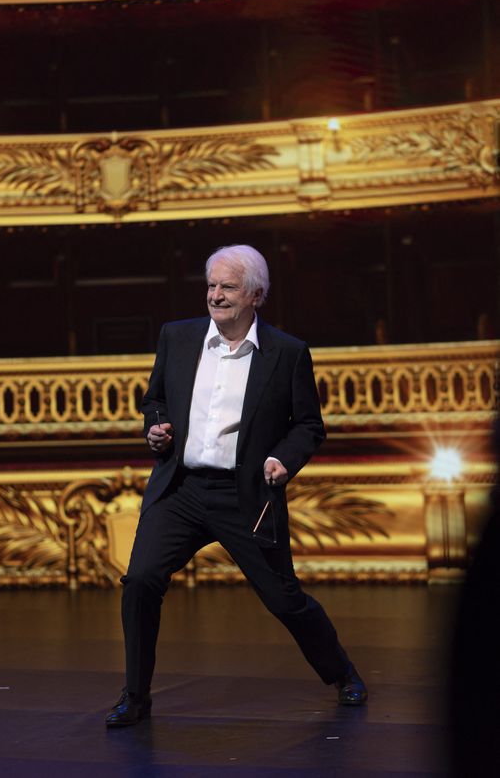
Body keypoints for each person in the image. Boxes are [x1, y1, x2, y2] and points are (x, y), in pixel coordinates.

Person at [106, 244, 367, 728]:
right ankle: (136, 697)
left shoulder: (287, 353)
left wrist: (281, 460)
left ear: (256, 295)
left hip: (245, 497)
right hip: (180, 490)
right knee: (140, 581)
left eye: (228, 286)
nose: (216, 295)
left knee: (284, 599)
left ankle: (343, 675)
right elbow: (155, 400)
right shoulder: (177, 338)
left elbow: (308, 426)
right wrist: (157, 428)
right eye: (211, 285)